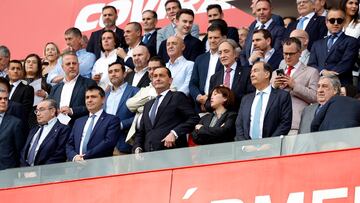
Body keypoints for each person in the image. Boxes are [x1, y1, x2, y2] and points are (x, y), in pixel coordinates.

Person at [133, 67, 199, 152]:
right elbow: (141, 131)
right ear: (152, 82)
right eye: (155, 76)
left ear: (170, 80)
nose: (158, 78)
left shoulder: (177, 96)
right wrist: (137, 147)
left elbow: (194, 119)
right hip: (149, 156)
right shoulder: (147, 105)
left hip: (172, 153)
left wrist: (174, 133)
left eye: (161, 76)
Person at [272, 37, 319, 134]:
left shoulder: (311, 72)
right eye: (285, 53)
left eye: (291, 54)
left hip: (295, 124)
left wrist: (294, 86)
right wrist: (273, 87)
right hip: (274, 124)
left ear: (300, 52)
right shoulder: (275, 73)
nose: (288, 57)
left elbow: (315, 97)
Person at [235, 61, 292, 141]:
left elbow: (285, 123)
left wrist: (269, 143)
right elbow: (239, 125)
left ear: (267, 74)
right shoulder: (246, 99)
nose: (251, 75)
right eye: (251, 72)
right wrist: (245, 145)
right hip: (247, 149)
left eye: (256, 71)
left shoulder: (282, 96)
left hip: (272, 148)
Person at [66, 86, 120, 161]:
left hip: (100, 166)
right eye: (87, 97)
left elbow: (108, 143)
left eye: (93, 97)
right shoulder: (78, 121)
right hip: (77, 166)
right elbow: (69, 144)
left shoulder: (112, 120)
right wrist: (74, 157)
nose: (89, 100)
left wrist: (84, 157)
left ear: (103, 100)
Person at [308, 8, 359, 85]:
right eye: (332, 20)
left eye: (339, 20)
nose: (335, 23)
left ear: (344, 22)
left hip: (341, 85)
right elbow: (311, 64)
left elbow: (346, 64)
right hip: (319, 85)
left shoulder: (352, 41)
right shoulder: (317, 44)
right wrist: (323, 72)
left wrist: (328, 75)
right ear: (326, 22)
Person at [49, 52, 97, 125]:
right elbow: (49, 108)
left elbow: (95, 105)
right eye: (68, 64)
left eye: (74, 63)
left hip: (78, 127)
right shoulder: (55, 88)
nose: (71, 66)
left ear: (78, 65)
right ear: (62, 67)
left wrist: (72, 110)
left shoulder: (89, 83)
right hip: (57, 129)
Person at [126, 56, 165, 144]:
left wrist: (140, 108)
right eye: (149, 69)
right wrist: (150, 98)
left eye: (155, 68)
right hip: (139, 137)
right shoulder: (145, 89)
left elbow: (160, 109)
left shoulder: (172, 89)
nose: (152, 72)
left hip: (158, 136)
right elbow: (129, 104)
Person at [20, 99, 70, 166]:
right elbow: (23, 153)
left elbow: (59, 156)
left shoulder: (63, 130)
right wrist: (25, 170)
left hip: (47, 173)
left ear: (52, 111)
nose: (38, 113)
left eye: (41, 110)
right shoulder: (33, 130)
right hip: (26, 173)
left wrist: (38, 172)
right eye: (36, 111)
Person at [104, 61, 139, 155]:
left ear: (124, 74)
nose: (113, 74)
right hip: (105, 144)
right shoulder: (105, 95)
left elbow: (140, 116)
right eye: (110, 72)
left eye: (116, 71)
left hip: (124, 143)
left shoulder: (135, 91)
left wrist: (122, 124)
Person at [189, 23, 226, 112]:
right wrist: (199, 97)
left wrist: (209, 99)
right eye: (210, 38)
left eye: (216, 38)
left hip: (220, 105)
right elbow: (193, 83)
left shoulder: (226, 58)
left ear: (224, 38)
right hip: (200, 107)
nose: (212, 41)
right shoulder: (200, 59)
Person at [209, 39, 254, 110]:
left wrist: (228, 95)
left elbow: (250, 97)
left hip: (238, 114)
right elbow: (208, 104)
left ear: (235, 53)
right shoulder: (214, 77)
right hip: (220, 118)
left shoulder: (247, 73)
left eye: (226, 51)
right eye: (220, 53)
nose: (223, 56)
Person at [23, 54, 52, 128]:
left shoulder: (45, 83)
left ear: (39, 66)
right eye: (28, 62)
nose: (30, 64)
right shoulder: (17, 82)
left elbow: (54, 99)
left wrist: (45, 95)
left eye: (34, 62)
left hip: (37, 119)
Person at [0, 88, 24, 170]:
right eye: (0, 99)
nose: (3, 101)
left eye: (5, 99)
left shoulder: (15, 123)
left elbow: (19, 149)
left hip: (7, 170)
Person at [8, 60, 34, 125]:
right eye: (13, 68)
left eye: (18, 69)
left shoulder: (28, 89)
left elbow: (25, 110)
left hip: (15, 125)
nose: (15, 71)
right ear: (7, 71)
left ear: (22, 71)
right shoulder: (2, 87)